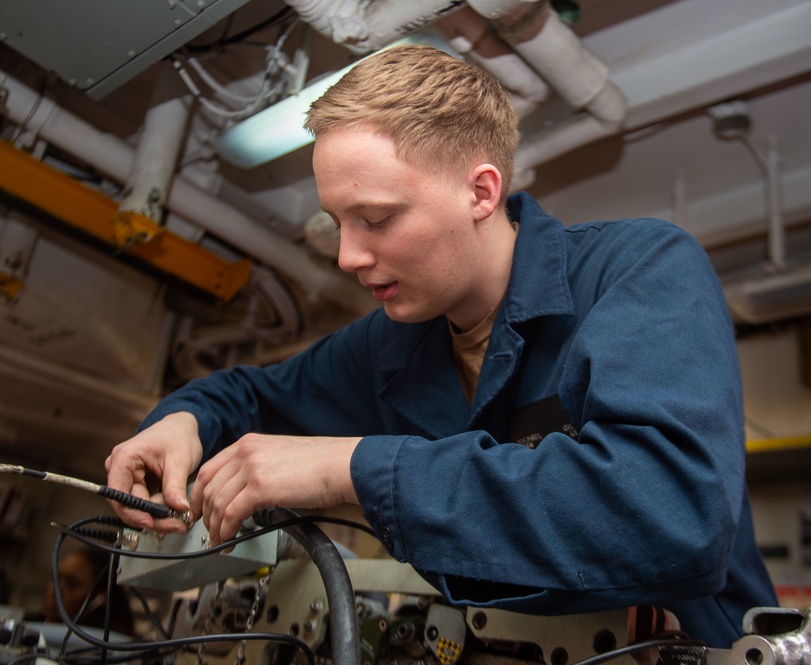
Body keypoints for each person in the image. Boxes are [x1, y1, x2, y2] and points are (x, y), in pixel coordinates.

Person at [105, 44, 776, 648]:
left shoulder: (638, 270)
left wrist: (356, 468)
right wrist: (180, 422)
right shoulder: (390, 343)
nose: (345, 255)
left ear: (480, 191)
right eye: (336, 221)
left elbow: (670, 517)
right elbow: (247, 395)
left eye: (375, 218)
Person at [42, 547, 135, 637]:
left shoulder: (108, 643)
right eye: (55, 578)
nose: (55, 590)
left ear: (100, 598)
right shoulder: (31, 624)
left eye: (72, 584)